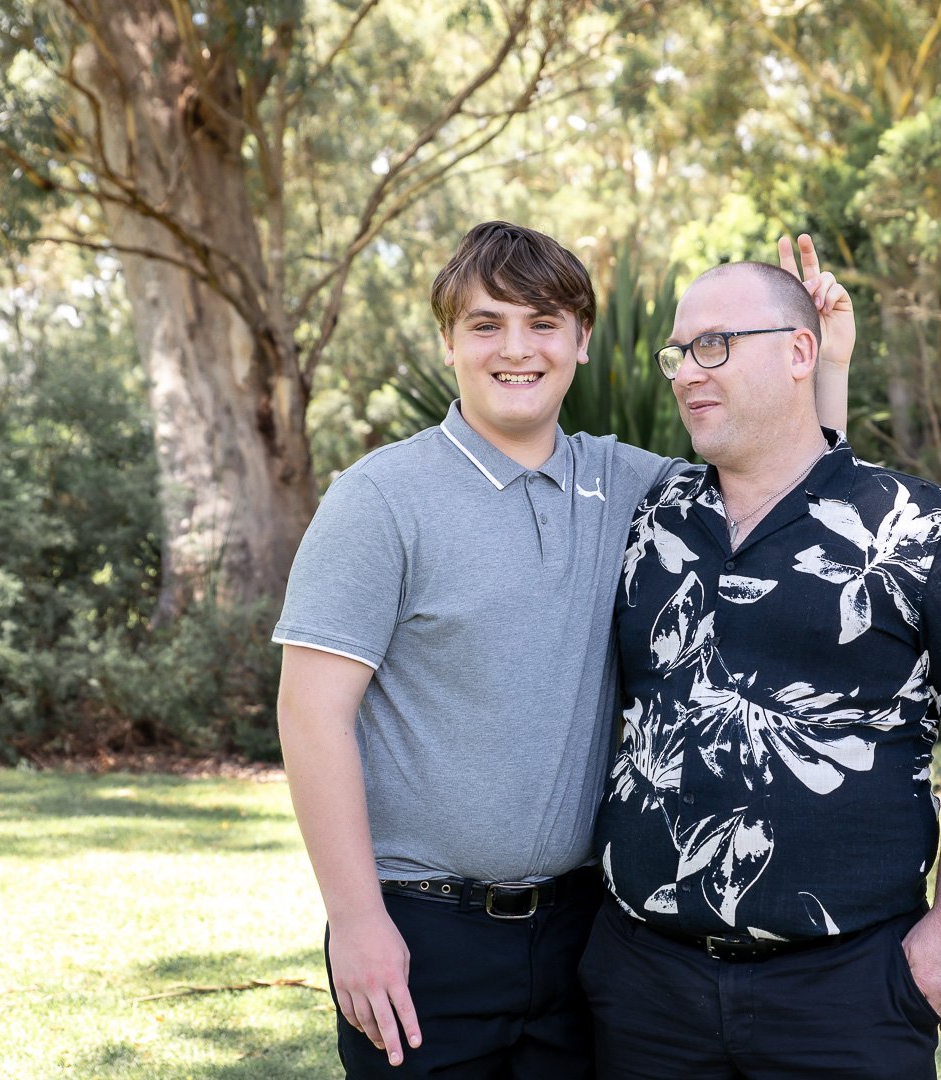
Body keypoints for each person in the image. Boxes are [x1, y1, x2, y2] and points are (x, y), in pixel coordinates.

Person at [272, 221, 854, 1079]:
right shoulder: (379, 500)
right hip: (422, 934)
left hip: (590, 937)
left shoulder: (632, 486)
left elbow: (789, 490)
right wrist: (357, 923)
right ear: (449, 342)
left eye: (544, 323)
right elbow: (311, 716)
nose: (517, 348)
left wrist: (826, 364)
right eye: (486, 324)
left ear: (582, 342)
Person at [583, 260, 941, 1080]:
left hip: (849, 990)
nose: (687, 371)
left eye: (714, 345)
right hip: (643, 986)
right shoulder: (651, 517)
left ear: (799, 353)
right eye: (679, 352)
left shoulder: (917, 526)